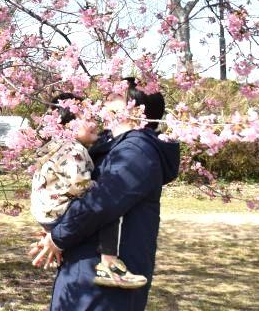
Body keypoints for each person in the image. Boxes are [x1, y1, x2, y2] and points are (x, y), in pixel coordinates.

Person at [32, 79, 179, 311]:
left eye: (115, 96)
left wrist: (58, 237)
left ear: (137, 107)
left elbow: (100, 203)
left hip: (107, 278)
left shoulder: (136, 151)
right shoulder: (108, 146)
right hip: (86, 266)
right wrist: (55, 222)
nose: (105, 99)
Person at [30, 93, 147, 289]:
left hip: (44, 213)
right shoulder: (74, 149)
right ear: (68, 124)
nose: (96, 124)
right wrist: (100, 187)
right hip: (57, 211)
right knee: (108, 209)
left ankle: (52, 247)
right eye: (89, 119)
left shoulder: (54, 146)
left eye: (95, 118)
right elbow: (79, 185)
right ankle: (109, 263)